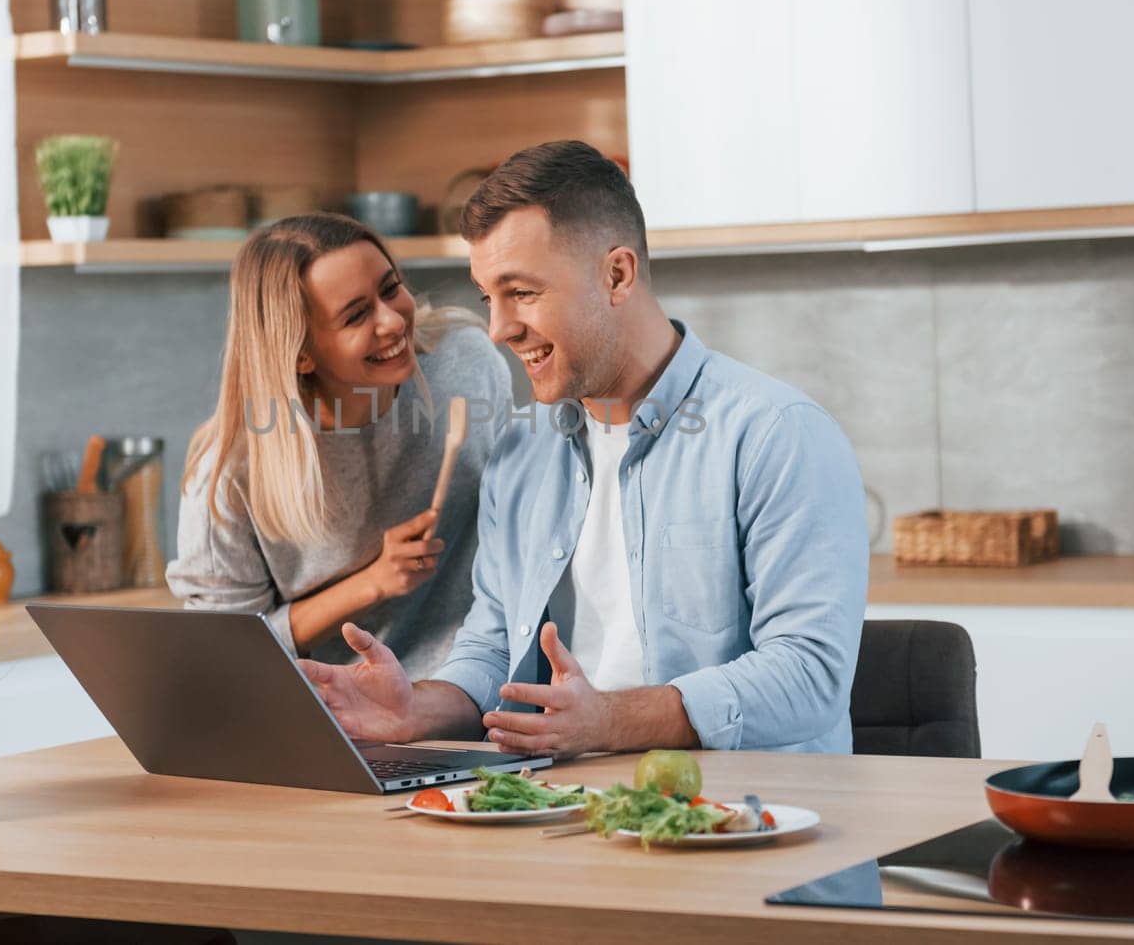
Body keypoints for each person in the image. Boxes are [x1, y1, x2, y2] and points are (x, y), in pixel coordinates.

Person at [297, 141, 869, 754]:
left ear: (617, 275)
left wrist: (610, 721)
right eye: (489, 297)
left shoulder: (774, 434)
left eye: (522, 292)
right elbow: (493, 647)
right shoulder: (522, 449)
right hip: (566, 813)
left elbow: (810, 675)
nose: (498, 328)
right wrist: (419, 707)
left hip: (743, 823)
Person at [167, 213, 511, 676]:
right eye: (355, 315)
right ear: (301, 353)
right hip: (332, 716)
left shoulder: (464, 365)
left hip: (479, 696)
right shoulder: (230, 473)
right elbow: (223, 655)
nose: (391, 321)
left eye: (390, 289)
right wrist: (371, 583)